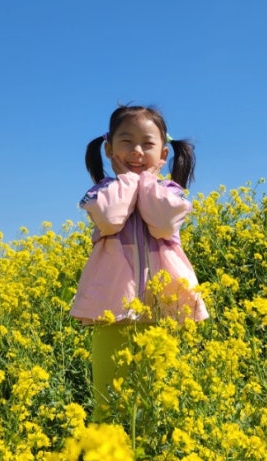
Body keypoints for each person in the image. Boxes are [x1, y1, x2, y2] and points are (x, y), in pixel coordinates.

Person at [70, 105, 209, 419]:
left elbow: (160, 222)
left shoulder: (170, 192)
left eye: (147, 144)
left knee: (156, 402)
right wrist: (128, 182)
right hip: (112, 311)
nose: (136, 151)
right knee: (108, 398)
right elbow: (110, 219)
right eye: (126, 142)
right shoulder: (104, 191)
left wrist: (146, 181)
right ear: (109, 150)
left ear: (163, 155)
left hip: (164, 308)